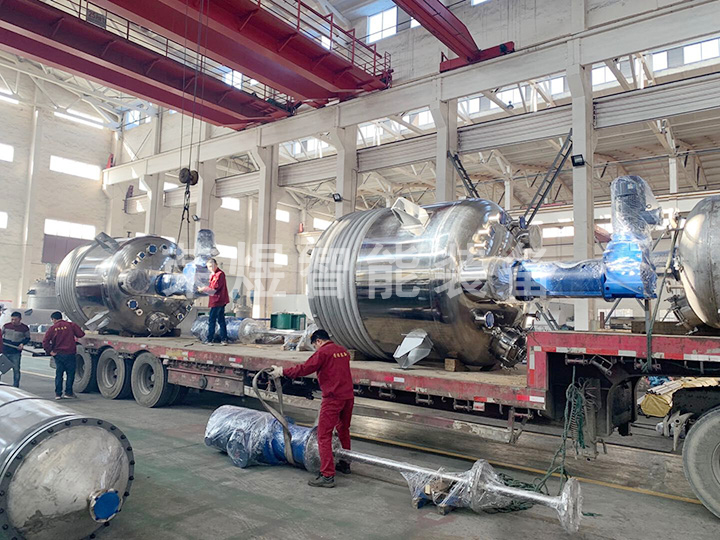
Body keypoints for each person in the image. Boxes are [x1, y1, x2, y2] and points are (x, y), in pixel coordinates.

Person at [270, 329, 354, 488]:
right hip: (348, 396)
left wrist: (282, 372)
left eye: (315, 345)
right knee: (343, 429)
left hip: (333, 398)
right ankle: (345, 463)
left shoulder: (323, 352)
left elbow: (305, 369)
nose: (316, 348)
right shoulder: (343, 351)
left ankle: (327, 476)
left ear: (318, 341)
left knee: (323, 435)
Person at [42, 311, 85, 400]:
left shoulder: (52, 328)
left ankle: (58, 394)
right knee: (70, 374)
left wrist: (50, 351)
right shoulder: (71, 325)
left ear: (53, 319)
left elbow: (45, 342)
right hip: (70, 353)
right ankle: (68, 393)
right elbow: (81, 334)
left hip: (58, 354)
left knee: (59, 374)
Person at [199, 258, 229, 346]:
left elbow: (214, 288)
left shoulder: (219, 274)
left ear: (216, 265)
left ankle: (209, 339)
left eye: (212, 266)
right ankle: (224, 339)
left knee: (212, 320)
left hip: (217, 301)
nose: (211, 268)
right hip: (219, 300)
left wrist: (203, 289)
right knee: (221, 320)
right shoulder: (213, 275)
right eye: (209, 267)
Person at [1, 311, 30, 388]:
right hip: (5, 351)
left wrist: (22, 344)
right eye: (12, 319)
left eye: (15, 319)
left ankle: (16, 386)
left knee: (16, 369)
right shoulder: (6, 326)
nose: (13, 321)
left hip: (15, 352)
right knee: (0, 369)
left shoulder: (24, 328)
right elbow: (1, 336)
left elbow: (27, 338)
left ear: (20, 319)